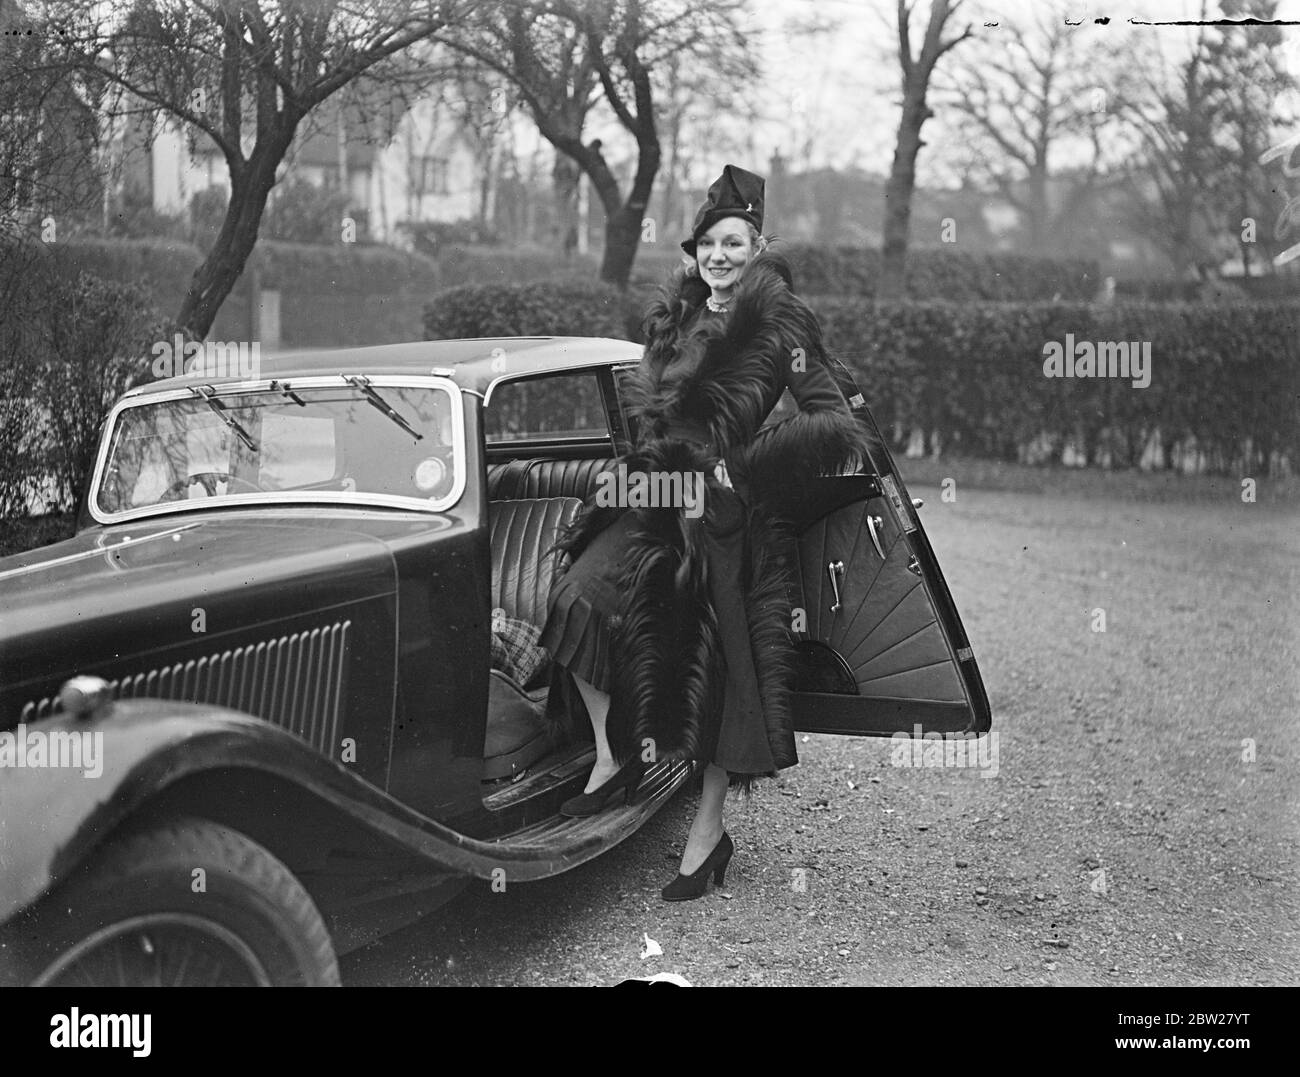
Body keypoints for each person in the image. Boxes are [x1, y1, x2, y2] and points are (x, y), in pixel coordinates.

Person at [538, 164, 873, 900]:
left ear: (758, 246)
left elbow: (836, 420)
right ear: (694, 251)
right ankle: (610, 753)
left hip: (725, 522)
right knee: (575, 598)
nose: (720, 255)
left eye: (735, 242)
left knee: (721, 688)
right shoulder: (675, 317)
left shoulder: (778, 325)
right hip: (655, 498)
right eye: (709, 243)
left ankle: (707, 834)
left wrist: (745, 468)